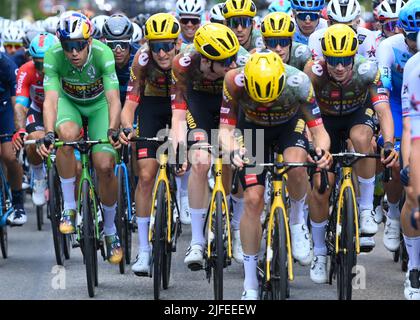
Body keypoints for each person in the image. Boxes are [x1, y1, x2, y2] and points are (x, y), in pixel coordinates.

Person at [219, 49, 332, 299]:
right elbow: (225, 131)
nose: (265, 104)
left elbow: (320, 130)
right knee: (253, 199)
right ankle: (249, 283)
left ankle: (297, 221)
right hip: (252, 130)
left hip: (288, 127)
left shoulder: (299, 83)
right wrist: (234, 150)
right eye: (259, 98)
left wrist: (322, 150)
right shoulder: (233, 80)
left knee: (296, 164)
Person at [304, 24, 398, 283]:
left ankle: (366, 207)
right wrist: (311, 145)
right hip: (324, 123)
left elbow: (383, 111)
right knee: (321, 188)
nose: (340, 67)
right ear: (324, 57)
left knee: (361, 138)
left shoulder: (367, 70)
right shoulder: (314, 72)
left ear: (354, 57)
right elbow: (304, 117)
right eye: (334, 60)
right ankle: (320, 254)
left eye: (346, 60)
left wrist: (388, 143)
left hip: (357, 115)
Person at [39, 11, 123, 265]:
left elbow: (113, 98)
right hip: (70, 104)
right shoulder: (53, 56)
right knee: (65, 136)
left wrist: (111, 129)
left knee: (105, 165)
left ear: (88, 42)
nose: (73, 52)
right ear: (60, 44)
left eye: (78, 46)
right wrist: (48, 133)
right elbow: (51, 100)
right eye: (68, 46)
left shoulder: (102, 54)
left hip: (98, 107)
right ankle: (68, 207)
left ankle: (110, 231)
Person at [170, 23, 250, 268]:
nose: (231, 65)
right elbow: (179, 115)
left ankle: (236, 229)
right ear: (205, 61)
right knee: (200, 161)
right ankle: (196, 240)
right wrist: (179, 148)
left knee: (235, 161)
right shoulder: (183, 64)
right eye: (225, 62)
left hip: (235, 106)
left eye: (233, 58)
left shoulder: (242, 64)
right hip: (200, 104)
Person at [118, 13, 182, 275]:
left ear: (177, 43)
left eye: (167, 45)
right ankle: (144, 249)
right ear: (148, 46)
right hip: (152, 108)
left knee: (187, 157)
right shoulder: (141, 60)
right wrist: (126, 128)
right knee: (145, 175)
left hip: (183, 107)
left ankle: (185, 197)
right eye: (156, 46)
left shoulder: (185, 59)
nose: (163, 53)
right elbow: (130, 104)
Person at [377, 0, 420, 255]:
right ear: (402, 33)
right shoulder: (388, 47)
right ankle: (393, 213)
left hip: (415, 102)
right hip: (396, 101)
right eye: (413, 36)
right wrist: (388, 140)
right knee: (393, 160)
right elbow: (382, 95)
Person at [12, 33, 58, 207]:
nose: (43, 66)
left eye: (46, 60)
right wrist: (20, 130)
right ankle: (38, 175)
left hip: (62, 112)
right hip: (38, 110)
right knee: (33, 141)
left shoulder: (65, 66)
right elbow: (20, 105)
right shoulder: (26, 70)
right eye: (38, 61)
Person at [0, 52, 26, 226]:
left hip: (4, 107)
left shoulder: (5, 63)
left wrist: (18, 128)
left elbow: (17, 99)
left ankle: (17, 204)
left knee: (9, 155)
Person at [308, 0, 377, 61]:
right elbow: (314, 70)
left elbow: (371, 70)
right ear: (328, 24)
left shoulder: (367, 36)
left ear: (358, 23)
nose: (343, 32)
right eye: (337, 27)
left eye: (348, 27)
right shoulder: (316, 38)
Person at [102, 14, 139, 106]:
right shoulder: (100, 55)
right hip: (108, 100)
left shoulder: (140, 55)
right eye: (112, 45)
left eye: (123, 44)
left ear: (130, 42)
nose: (118, 50)